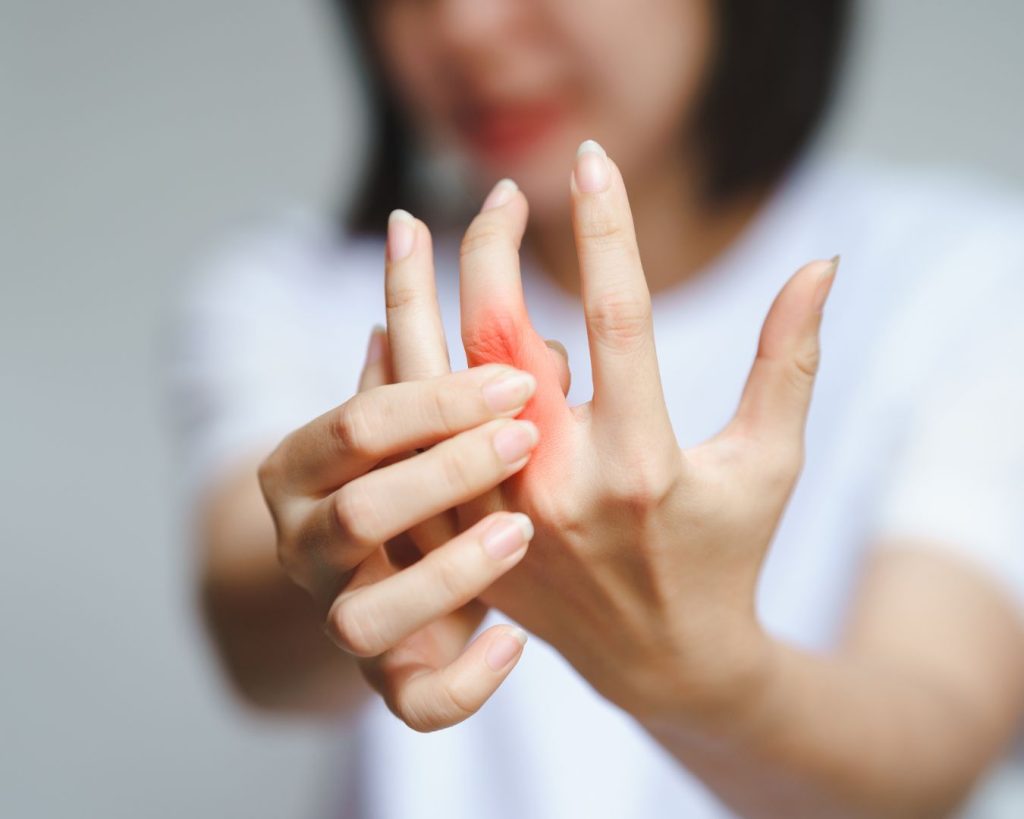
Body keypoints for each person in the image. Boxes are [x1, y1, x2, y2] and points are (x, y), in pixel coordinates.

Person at [168, 0, 1024, 816]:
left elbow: (937, 730)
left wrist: (709, 682)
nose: (465, 27)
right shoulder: (299, 289)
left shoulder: (970, 279)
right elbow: (249, 636)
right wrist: (350, 549)